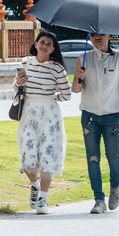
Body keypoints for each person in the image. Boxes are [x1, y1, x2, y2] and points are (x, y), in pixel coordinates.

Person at [72, 32, 119, 214]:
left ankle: (115, 188)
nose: (97, 38)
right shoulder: (83, 57)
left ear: (109, 35)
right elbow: (76, 89)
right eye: (93, 35)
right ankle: (98, 200)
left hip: (112, 116)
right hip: (90, 117)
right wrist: (79, 76)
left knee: (113, 156)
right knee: (93, 159)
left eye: (101, 34)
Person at [14, 30, 70, 214]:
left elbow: (66, 94)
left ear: (53, 49)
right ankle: (34, 184)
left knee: (47, 154)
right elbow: (14, 88)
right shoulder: (25, 63)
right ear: (36, 44)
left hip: (49, 115)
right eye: (42, 42)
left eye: (49, 44)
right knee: (28, 156)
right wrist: (18, 83)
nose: (44, 46)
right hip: (28, 113)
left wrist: (50, 99)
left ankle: (43, 199)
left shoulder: (57, 69)